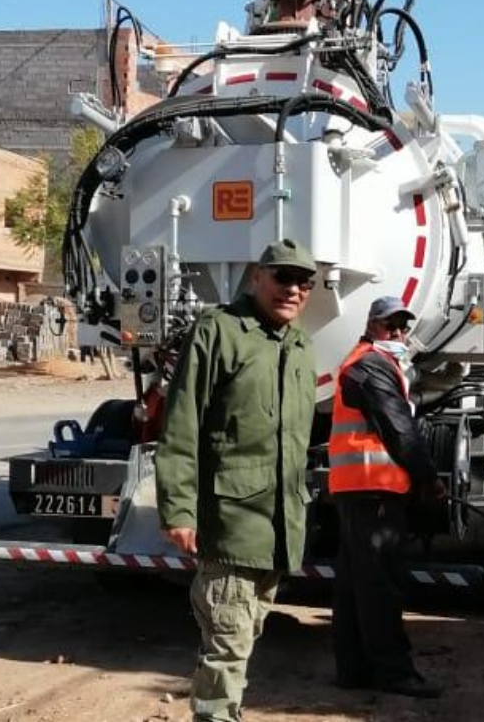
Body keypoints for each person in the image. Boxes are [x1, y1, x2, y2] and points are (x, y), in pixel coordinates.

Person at [155, 238, 318, 722]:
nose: (293, 289)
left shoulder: (301, 346)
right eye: (283, 277)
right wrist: (179, 510)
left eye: (304, 282)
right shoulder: (219, 331)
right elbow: (182, 423)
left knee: (243, 638)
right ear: (257, 278)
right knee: (226, 645)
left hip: (279, 527)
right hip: (230, 526)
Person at [329, 296, 446, 699]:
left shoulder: (368, 362)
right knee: (380, 585)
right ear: (371, 325)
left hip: (358, 489)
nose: (397, 332)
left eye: (402, 326)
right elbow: (399, 428)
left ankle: (353, 671)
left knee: (354, 586)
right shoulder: (370, 366)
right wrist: (428, 478)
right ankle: (395, 673)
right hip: (373, 489)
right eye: (389, 324)